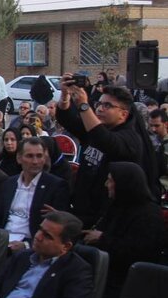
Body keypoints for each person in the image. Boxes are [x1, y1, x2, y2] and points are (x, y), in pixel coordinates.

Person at [56, 79, 160, 226]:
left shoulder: (130, 138)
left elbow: (105, 140)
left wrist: (84, 106)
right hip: (82, 208)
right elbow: (67, 119)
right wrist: (65, 95)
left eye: (107, 105)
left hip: (108, 218)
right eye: (99, 104)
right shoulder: (94, 129)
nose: (100, 109)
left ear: (123, 114)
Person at [82, 162, 166, 298]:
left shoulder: (149, 215)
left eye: (110, 181)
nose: (106, 184)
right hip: (102, 274)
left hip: (125, 285)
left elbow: (139, 252)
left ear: (123, 184)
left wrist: (102, 238)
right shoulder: (117, 206)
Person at [0, 137, 70, 252]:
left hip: (31, 246)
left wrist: (27, 245)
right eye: (30, 156)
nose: (35, 161)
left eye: (39, 156)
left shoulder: (56, 186)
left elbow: (57, 230)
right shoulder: (9, 183)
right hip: (2, 240)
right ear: (19, 158)